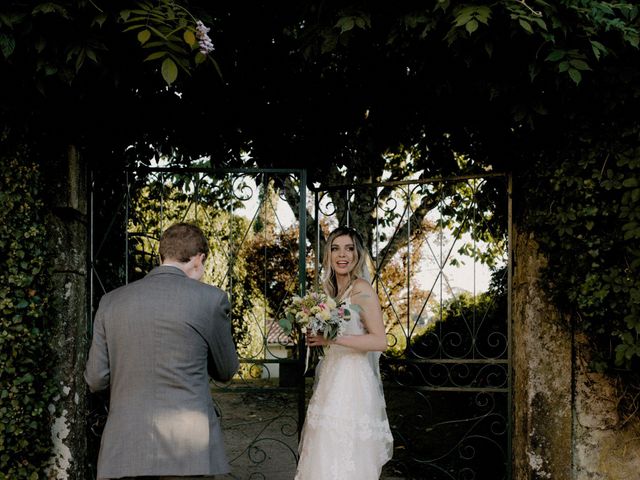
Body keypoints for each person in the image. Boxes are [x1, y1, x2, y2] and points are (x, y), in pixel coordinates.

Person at [84, 222, 240, 480]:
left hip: (126, 444)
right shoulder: (211, 299)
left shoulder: (111, 301)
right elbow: (226, 370)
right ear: (199, 259)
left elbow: (96, 379)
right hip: (189, 449)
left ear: (161, 256)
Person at [295, 226, 394, 479]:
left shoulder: (362, 290)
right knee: (323, 447)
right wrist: (317, 336)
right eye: (336, 248)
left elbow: (379, 341)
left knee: (347, 449)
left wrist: (332, 338)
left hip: (353, 381)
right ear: (328, 255)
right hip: (331, 375)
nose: (343, 255)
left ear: (357, 255)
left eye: (349, 249)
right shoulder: (329, 292)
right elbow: (333, 336)